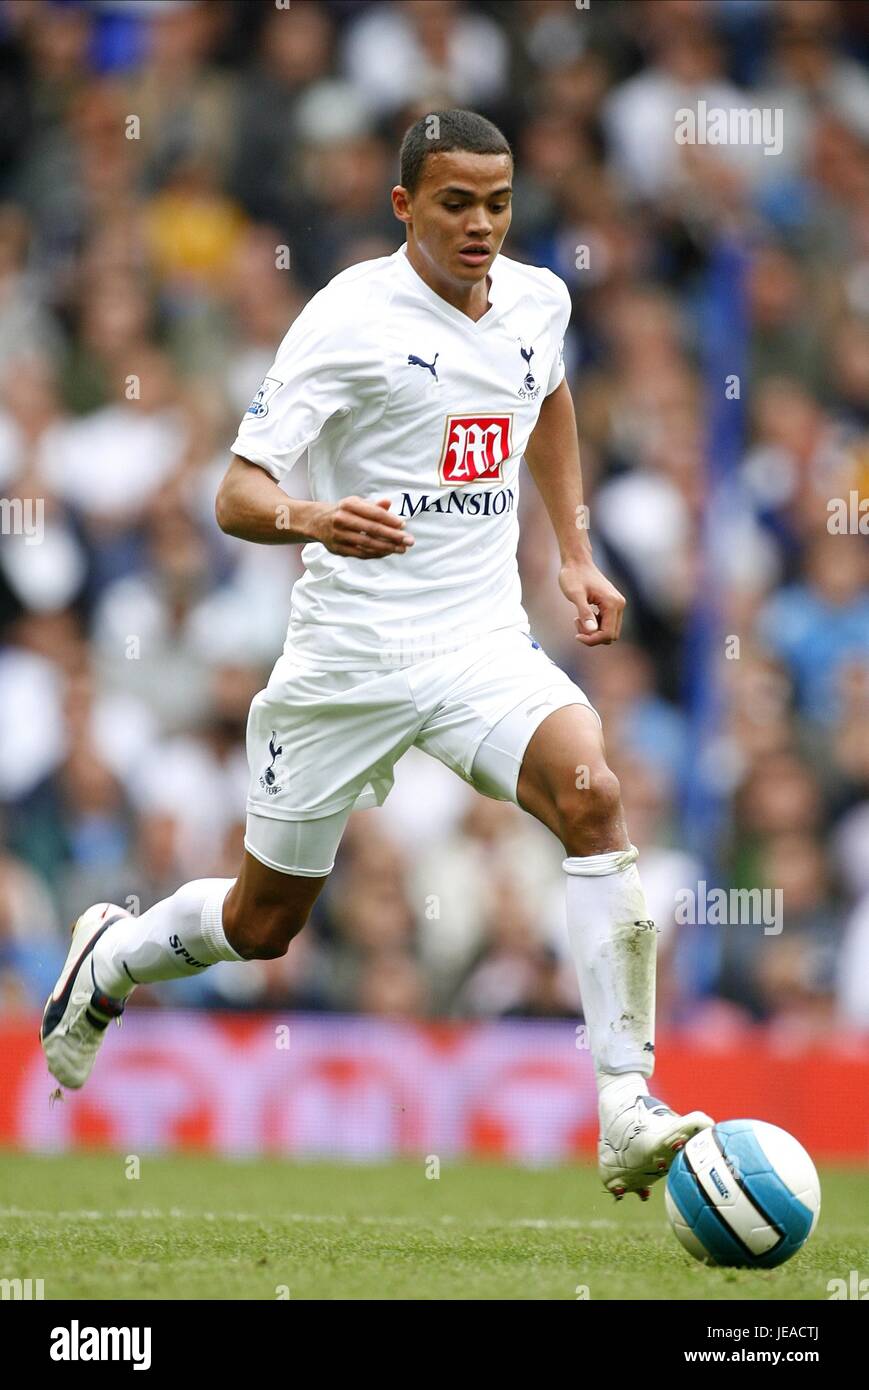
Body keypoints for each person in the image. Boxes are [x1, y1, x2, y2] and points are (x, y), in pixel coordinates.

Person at [41, 109, 712, 1201]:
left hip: (479, 639)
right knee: (264, 923)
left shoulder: (539, 301)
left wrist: (573, 555)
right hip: (349, 655)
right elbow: (236, 493)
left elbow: (543, 394)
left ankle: (623, 1102)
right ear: (404, 205)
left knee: (592, 791)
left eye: (496, 203)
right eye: (455, 202)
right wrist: (313, 519)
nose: (480, 224)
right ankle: (113, 954)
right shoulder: (347, 317)